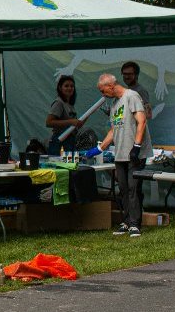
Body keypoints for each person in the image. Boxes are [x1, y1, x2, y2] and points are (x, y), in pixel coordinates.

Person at [95, 72, 148, 237]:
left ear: (111, 86)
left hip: (134, 152)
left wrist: (137, 146)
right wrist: (99, 149)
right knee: (124, 189)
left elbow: (142, 121)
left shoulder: (132, 96)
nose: (103, 95)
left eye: (103, 91)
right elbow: (113, 130)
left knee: (133, 188)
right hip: (120, 153)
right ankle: (126, 221)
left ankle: (135, 224)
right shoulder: (114, 104)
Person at [45, 75, 85, 153]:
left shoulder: (70, 104)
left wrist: (80, 121)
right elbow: (48, 122)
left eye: (72, 86)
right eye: (66, 86)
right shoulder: (59, 103)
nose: (69, 88)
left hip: (70, 141)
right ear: (60, 88)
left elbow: (73, 124)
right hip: (59, 142)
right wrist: (71, 121)